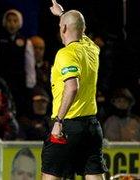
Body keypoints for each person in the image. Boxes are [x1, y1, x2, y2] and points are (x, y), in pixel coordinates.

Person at [41, 0, 107, 179]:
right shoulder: (92, 49)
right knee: (94, 174)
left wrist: (59, 122)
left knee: (51, 175)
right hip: (92, 127)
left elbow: (72, 87)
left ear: (63, 29)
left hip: (68, 126)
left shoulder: (65, 53)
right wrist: (62, 14)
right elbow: (78, 28)